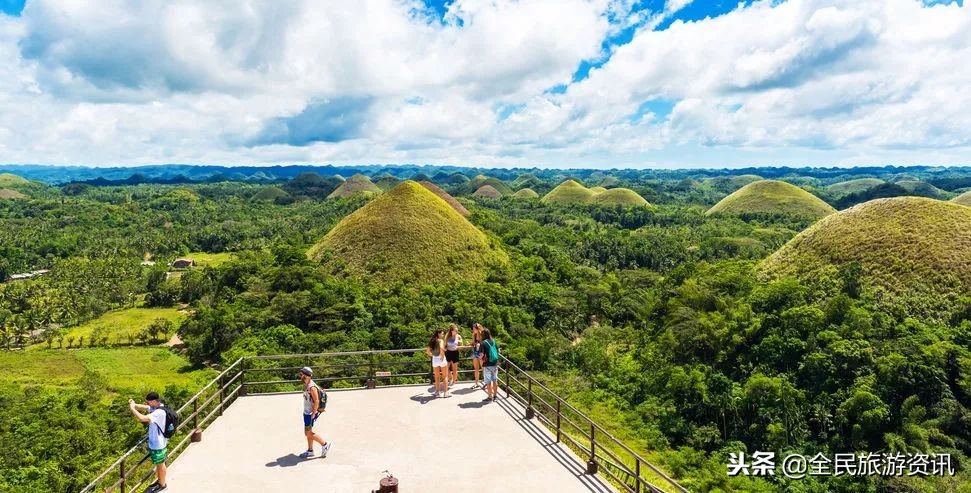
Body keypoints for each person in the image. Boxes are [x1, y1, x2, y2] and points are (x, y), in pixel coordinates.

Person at [128, 392, 168, 493]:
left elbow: (142, 418)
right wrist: (135, 404)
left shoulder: (159, 413)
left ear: (154, 401)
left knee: (160, 464)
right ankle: (160, 481)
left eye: (149, 402)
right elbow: (145, 408)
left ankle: (162, 485)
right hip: (159, 442)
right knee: (159, 463)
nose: (147, 403)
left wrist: (132, 409)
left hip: (158, 444)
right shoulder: (158, 407)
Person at [298, 367, 331, 459]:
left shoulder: (311, 387)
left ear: (306, 376)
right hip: (307, 412)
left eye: (301, 375)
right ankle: (310, 451)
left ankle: (324, 444)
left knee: (307, 433)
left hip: (310, 413)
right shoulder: (307, 384)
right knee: (309, 431)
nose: (300, 376)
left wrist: (313, 414)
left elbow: (316, 401)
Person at [426, 329, 449, 397]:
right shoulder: (440, 340)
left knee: (437, 377)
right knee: (445, 376)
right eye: (442, 334)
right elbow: (441, 348)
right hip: (441, 359)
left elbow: (427, 351)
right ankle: (445, 392)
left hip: (435, 359)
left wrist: (432, 355)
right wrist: (442, 355)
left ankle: (437, 392)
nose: (443, 335)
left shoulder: (432, 340)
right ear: (438, 334)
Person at [480, 328, 500, 402]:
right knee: (495, 380)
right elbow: (498, 351)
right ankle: (495, 396)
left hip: (487, 364)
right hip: (495, 363)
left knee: (488, 382)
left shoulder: (483, 343)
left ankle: (489, 397)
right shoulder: (494, 341)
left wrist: (479, 357)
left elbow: (481, 355)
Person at [470, 323, 484, 389]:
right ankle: (476, 383)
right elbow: (473, 343)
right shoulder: (474, 335)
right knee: (476, 368)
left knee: (483, 367)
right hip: (475, 351)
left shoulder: (482, 335)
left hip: (481, 352)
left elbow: (484, 343)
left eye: (474, 328)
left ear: (477, 328)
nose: (473, 329)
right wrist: (472, 343)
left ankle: (486, 382)